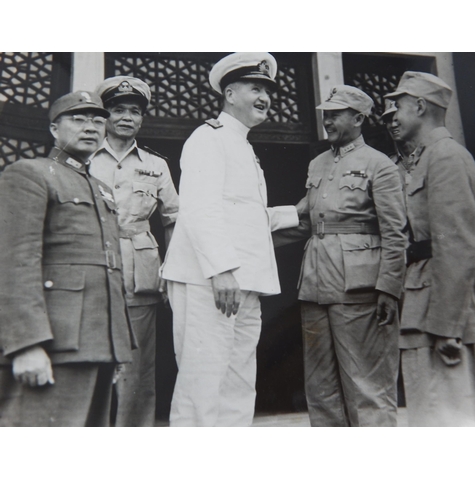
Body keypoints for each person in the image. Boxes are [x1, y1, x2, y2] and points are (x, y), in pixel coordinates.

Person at [161, 52, 299, 426]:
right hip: (211, 279)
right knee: (202, 381)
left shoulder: (242, 144)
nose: (265, 98)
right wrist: (221, 269)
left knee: (239, 379)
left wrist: (296, 213)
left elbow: (242, 215)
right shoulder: (209, 138)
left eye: (268, 91)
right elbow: (200, 208)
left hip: (243, 282)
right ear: (230, 93)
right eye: (255, 88)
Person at [0, 91, 136, 427]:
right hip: (52, 344)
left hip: (98, 346)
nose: (90, 126)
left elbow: (107, 271)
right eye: (78, 118)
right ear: (54, 129)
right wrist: (25, 344)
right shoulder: (29, 173)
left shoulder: (102, 188)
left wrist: (116, 348)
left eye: (97, 120)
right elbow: (14, 262)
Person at [274, 85, 407, 426]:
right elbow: (307, 221)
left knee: (367, 387)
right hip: (315, 285)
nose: (327, 120)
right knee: (320, 389)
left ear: (359, 118)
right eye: (326, 113)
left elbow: (395, 232)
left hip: (359, 288)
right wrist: (251, 238)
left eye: (336, 114)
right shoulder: (318, 163)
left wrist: (389, 288)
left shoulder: (380, 166)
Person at [385, 71, 475, 426]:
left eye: (398, 106)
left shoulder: (447, 157)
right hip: (429, 304)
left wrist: (447, 325)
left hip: (451, 315)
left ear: (419, 106)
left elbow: (457, 245)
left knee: (451, 422)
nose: (392, 116)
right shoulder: (426, 158)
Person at [90, 76, 179, 427]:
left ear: (142, 119)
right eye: (118, 109)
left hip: (141, 268)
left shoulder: (156, 166)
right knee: (93, 352)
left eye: (135, 111)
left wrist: (169, 270)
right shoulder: (85, 156)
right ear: (105, 115)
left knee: (138, 363)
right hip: (94, 263)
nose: (127, 117)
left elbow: (173, 218)